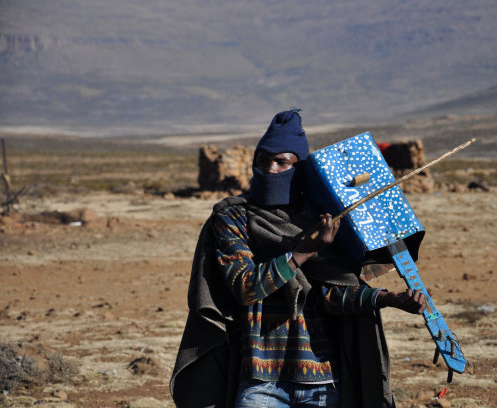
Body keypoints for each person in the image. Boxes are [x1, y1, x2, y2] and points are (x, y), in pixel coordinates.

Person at [170, 109, 428, 408]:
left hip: (321, 379)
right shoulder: (233, 217)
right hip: (260, 381)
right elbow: (245, 286)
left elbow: (329, 294)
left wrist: (386, 299)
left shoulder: (321, 218)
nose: (270, 169)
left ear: (299, 167)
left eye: (281, 162)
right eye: (262, 161)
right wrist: (303, 251)